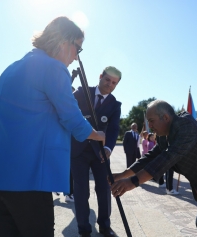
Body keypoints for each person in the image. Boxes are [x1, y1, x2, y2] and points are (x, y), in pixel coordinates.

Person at [0, 17, 105, 237]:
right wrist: (97, 134)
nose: (77, 57)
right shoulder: (53, 68)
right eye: (78, 48)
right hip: (26, 177)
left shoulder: (12, 68)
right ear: (64, 42)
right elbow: (72, 118)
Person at [110, 100, 197, 237]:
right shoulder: (163, 135)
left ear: (165, 117)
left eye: (152, 120)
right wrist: (122, 175)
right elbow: (151, 157)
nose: (150, 125)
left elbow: (168, 157)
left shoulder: (185, 125)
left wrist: (133, 182)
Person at [71, 66, 122, 237]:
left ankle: (105, 226)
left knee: (104, 189)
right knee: (81, 192)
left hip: (101, 152)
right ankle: (83, 228)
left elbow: (114, 129)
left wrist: (108, 148)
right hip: (78, 150)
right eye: (107, 80)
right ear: (101, 76)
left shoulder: (115, 105)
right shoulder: (82, 92)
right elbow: (67, 108)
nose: (109, 84)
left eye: (114, 83)